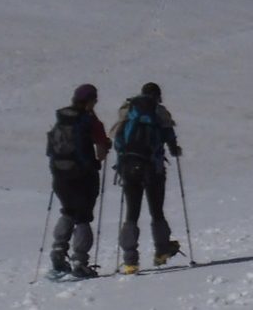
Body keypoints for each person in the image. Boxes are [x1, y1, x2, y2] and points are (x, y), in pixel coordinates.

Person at [112, 82, 184, 274]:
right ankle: (161, 251)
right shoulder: (159, 112)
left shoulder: (127, 109)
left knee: (131, 213)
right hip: (153, 168)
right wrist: (174, 149)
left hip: (129, 167)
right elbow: (169, 136)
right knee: (156, 211)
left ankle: (130, 261)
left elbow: (117, 137)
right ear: (157, 96)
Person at [47, 84, 112, 279]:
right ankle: (80, 261)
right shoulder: (90, 121)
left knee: (68, 211)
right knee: (83, 217)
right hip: (83, 176)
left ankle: (58, 250)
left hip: (60, 175)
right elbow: (100, 153)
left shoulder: (62, 119)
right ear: (91, 100)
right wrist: (103, 148)